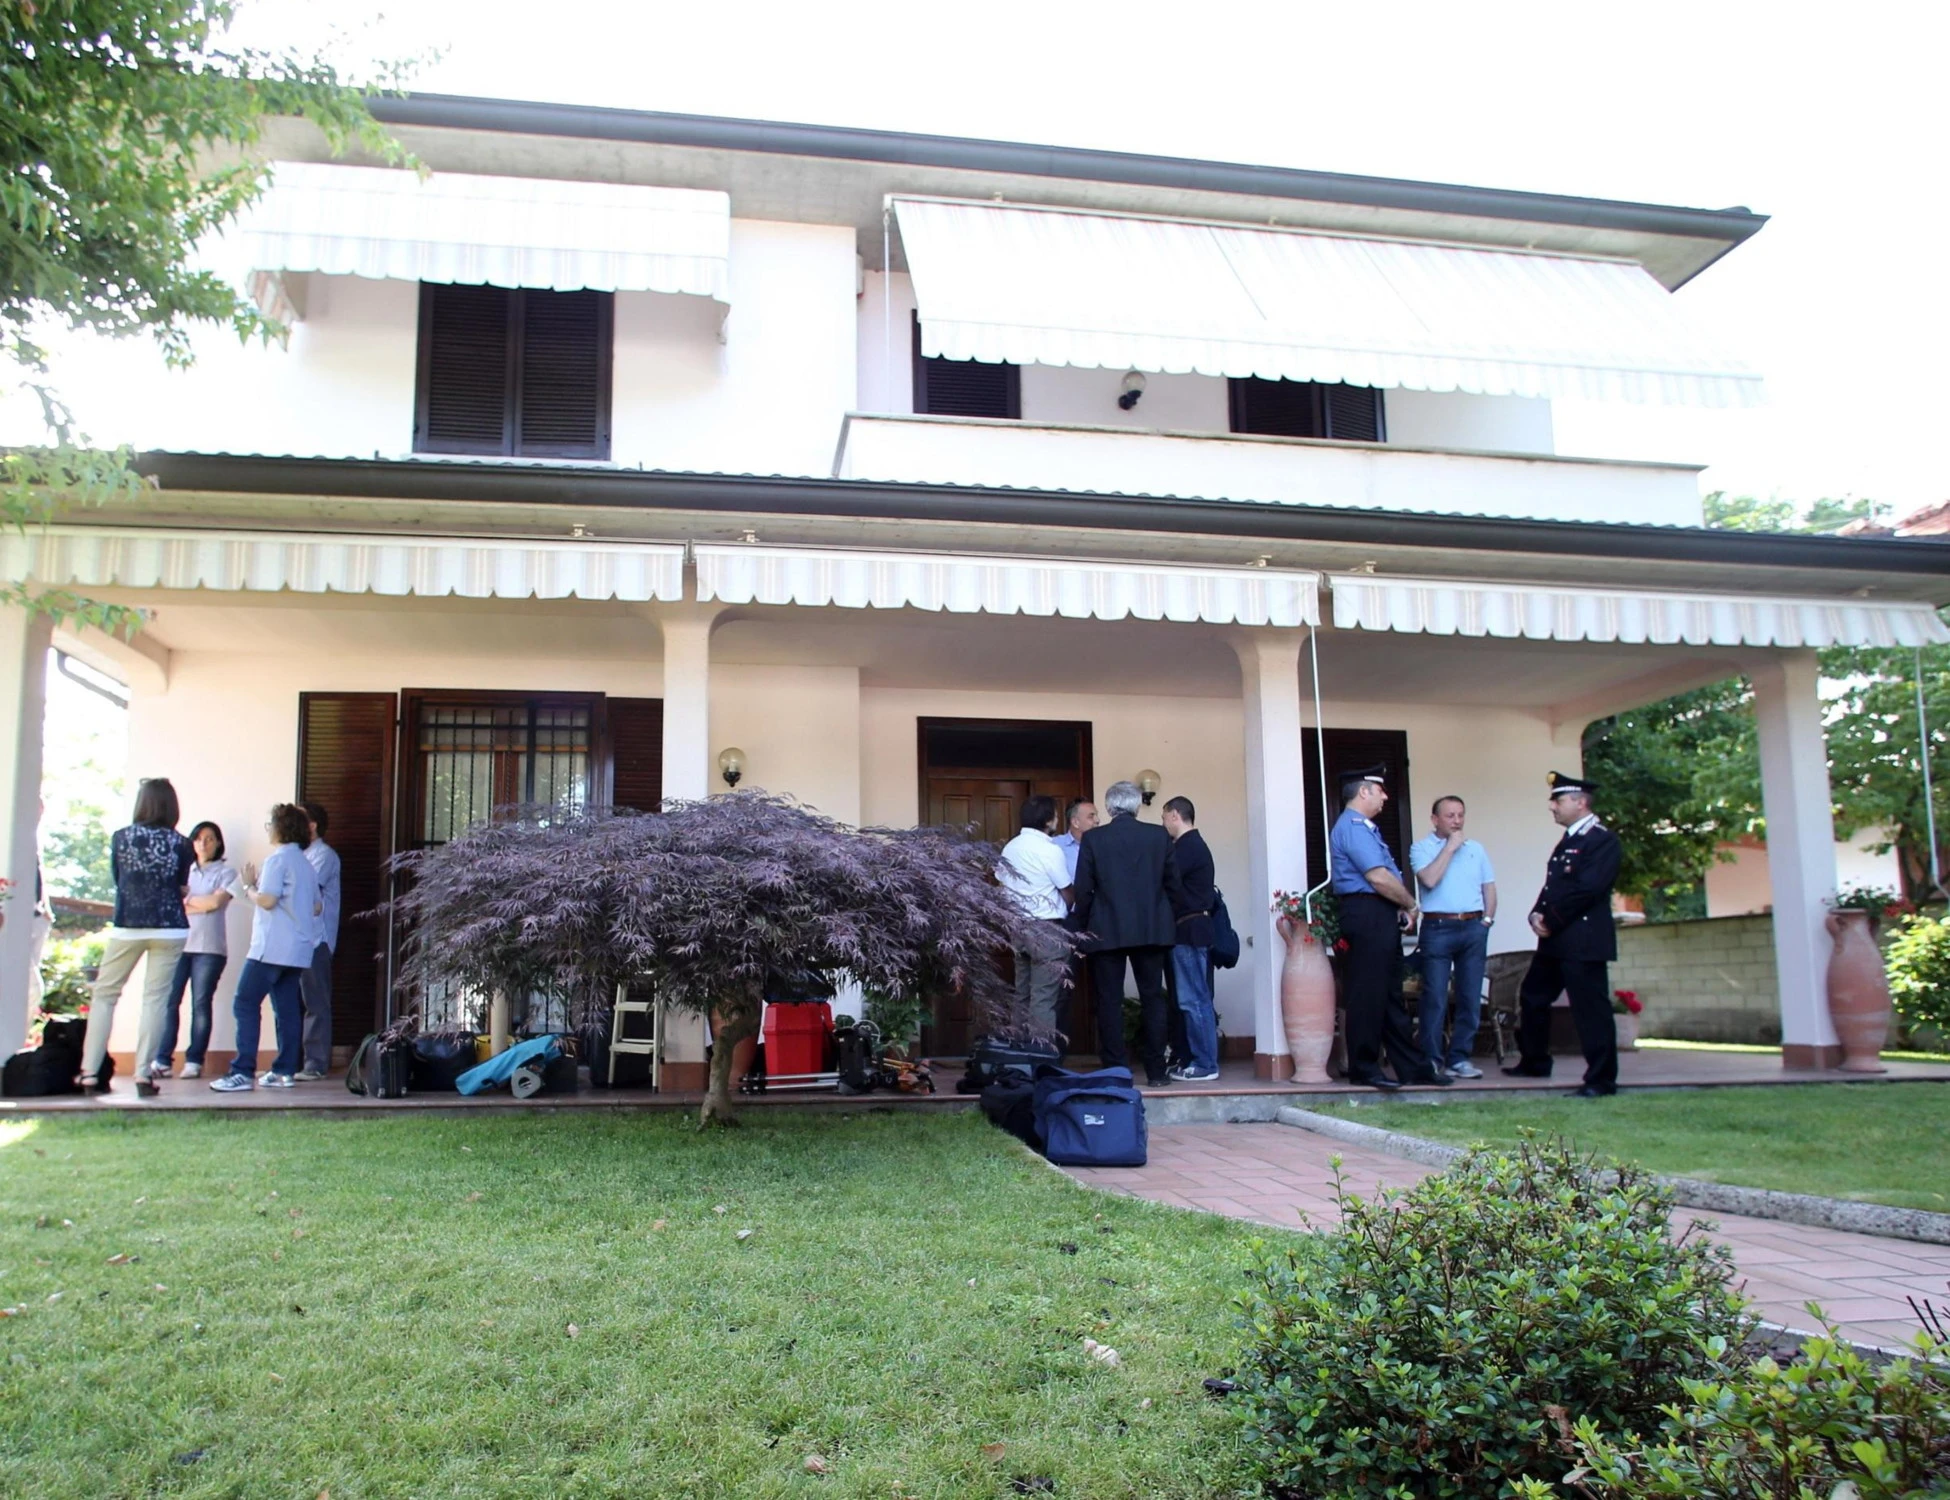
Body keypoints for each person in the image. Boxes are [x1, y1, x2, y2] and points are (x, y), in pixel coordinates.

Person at [1504, 772, 1624, 1098]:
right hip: (1556, 940)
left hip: (1582, 939)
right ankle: (1536, 1061)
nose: (1552, 807)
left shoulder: (1601, 840)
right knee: (1533, 996)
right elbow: (1554, 886)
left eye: (1557, 800)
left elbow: (1589, 889)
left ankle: (1601, 1079)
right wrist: (1536, 912)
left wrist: (1551, 919)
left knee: (1589, 1008)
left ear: (1580, 802)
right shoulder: (1570, 840)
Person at [1329, 765, 1447, 1092]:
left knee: (1390, 995)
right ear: (1363, 791)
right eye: (1379, 790)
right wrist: (1409, 903)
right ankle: (1364, 1067)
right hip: (1365, 912)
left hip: (1378, 912)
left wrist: (1397, 907)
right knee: (1367, 994)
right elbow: (1377, 877)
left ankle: (1412, 1067)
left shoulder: (1365, 828)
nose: (1384, 796)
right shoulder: (1353, 827)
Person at [78, 778, 193, 1098]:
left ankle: (89, 1073)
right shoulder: (182, 843)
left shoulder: (121, 838)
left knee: (105, 995)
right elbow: (182, 888)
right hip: (170, 927)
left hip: (128, 924)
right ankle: (144, 1075)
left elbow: (120, 881)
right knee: (155, 1000)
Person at [1073, 780, 1182, 1086]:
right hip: (1152, 928)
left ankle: (1116, 1071)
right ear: (1136, 806)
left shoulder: (1094, 839)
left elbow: (1084, 889)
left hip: (1106, 929)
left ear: (1109, 808)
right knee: (1153, 999)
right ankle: (1156, 1071)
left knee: (1109, 1001)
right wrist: (1166, 916)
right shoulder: (1158, 836)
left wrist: (1082, 928)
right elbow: (1173, 884)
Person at [210, 803, 320, 1092]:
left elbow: (268, 900)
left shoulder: (277, 861)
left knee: (244, 1002)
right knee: (286, 1009)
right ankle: (284, 1071)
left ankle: (242, 1072)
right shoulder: (306, 864)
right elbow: (317, 906)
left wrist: (248, 887)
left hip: (271, 947)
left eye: (270, 824)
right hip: (297, 950)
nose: (268, 830)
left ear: (281, 828)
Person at [1409, 796, 1498, 1080]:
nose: (1457, 821)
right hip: (1437, 928)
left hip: (1473, 927)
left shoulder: (1476, 850)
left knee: (1469, 995)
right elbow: (1430, 880)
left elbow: (1489, 888)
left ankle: (1460, 1058)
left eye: (1460, 815)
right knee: (1434, 995)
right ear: (1435, 819)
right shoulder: (1421, 848)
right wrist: (1449, 848)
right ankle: (1432, 1060)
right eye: (1450, 816)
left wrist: (1487, 921)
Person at [153, 820, 234, 1079]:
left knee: (200, 1003)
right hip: (179, 943)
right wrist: (197, 903)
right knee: (169, 1002)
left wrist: (185, 900)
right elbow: (167, 901)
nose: (203, 843)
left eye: (209, 838)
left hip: (209, 948)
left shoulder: (227, 872)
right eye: (198, 838)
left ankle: (194, 1060)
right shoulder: (182, 869)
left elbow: (215, 903)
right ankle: (162, 1060)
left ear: (218, 843)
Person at [995, 795, 1075, 1044]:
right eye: (1056, 814)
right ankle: (1039, 1060)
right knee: (1043, 998)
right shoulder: (1049, 849)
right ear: (1048, 819)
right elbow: (1066, 890)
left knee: (1022, 995)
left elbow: (1000, 884)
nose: (1058, 819)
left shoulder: (1011, 847)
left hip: (1018, 927)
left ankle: (1016, 1055)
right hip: (1046, 928)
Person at [1161, 795, 1219, 1083]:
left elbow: (1164, 880)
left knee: (1193, 1000)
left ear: (1174, 815)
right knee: (1194, 998)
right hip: (1192, 930)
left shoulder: (1187, 846)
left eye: (1164, 818)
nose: (1164, 824)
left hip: (1189, 932)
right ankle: (1200, 1060)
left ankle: (1205, 1063)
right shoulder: (1193, 845)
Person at [296, 800, 341, 1081]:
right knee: (290, 1001)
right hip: (292, 939)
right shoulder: (294, 856)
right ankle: (289, 1061)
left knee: (316, 1002)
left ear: (312, 825)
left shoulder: (323, 855)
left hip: (316, 941)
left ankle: (315, 1063)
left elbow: (302, 891)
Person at [1051, 798, 1098, 884]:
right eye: (1091, 817)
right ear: (1075, 822)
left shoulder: (1102, 846)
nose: (1097, 820)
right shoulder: (1055, 845)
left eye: (1096, 816)